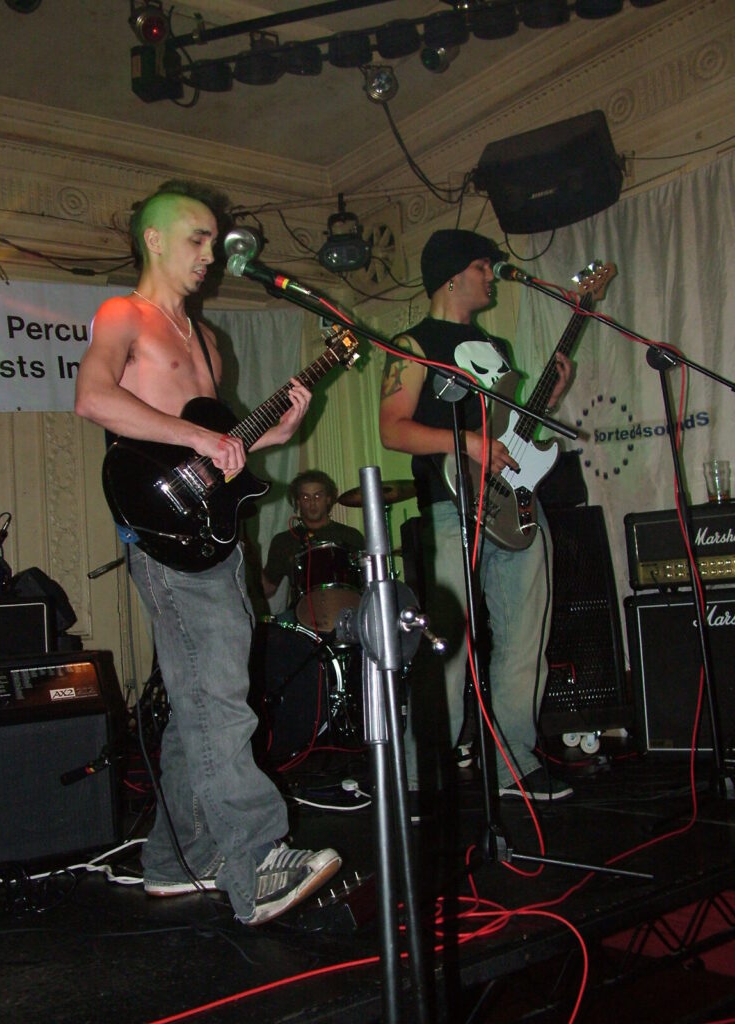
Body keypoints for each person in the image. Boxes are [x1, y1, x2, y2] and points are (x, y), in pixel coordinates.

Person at [74, 179, 341, 924]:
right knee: (220, 697)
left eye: (213, 242)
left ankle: (174, 860)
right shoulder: (123, 314)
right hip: (163, 532)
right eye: (197, 238)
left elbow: (226, 451)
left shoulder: (208, 339)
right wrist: (199, 436)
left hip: (215, 534)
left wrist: (278, 430)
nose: (209, 255)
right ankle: (257, 864)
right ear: (153, 239)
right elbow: (93, 398)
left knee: (203, 693)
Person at [378, 228, 574, 802]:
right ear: (452, 276)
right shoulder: (412, 344)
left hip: (514, 504)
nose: (492, 277)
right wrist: (466, 442)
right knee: (448, 645)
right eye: (483, 267)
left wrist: (547, 401)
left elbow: (508, 432)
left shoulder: (497, 348)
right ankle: (422, 775)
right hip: (450, 508)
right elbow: (392, 429)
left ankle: (515, 762)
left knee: (524, 638)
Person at [261, 470, 365, 621]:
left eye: (317, 496)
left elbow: (367, 582)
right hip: (301, 615)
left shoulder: (350, 536)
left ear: (328, 499)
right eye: (305, 497)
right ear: (298, 502)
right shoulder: (283, 541)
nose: (312, 503)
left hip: (346, 613)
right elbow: (268, 588)